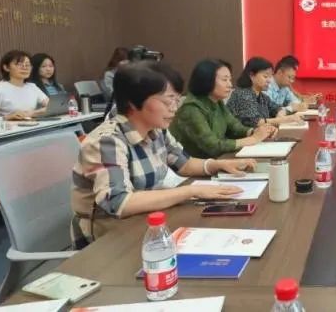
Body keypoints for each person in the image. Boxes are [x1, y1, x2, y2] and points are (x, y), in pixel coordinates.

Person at [70, 61, 257, 249]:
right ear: (133, 102)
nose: (174, 108)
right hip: (110, 235)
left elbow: (184, 163)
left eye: (177, 99)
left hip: (148, 222)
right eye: (168, 100)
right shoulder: (107, 141)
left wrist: (218, 165)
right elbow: (120, 203)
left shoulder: (157, 130)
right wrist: (191, 191)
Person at [170, 59, 276, 159]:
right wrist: (252, 139)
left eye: (230, 80)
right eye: (224, 80)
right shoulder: (191, 108)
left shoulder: (217, 102)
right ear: (207, 80)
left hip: (216, 161)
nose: (230, 85)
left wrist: (255, 131)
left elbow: (235, 127)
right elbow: (212, 146)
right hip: (195, 167)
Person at [227, 57, 303, 128]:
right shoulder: (243, 94)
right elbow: (255, 122)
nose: (269, 81)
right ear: (252, 76)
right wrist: (285, 119)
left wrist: (280, 113)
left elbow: (277, 108)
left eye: (270, 77)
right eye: (265, 76)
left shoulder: (262, 96)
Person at [0, 50, 49, 120]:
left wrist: (32, 113)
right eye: (19, 64)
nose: (25, 68)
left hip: (32, 124)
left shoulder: (32, 87)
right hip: (9, 126)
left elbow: (52, 107)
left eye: (27, 65)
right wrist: (8, 117)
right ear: (6, 67)